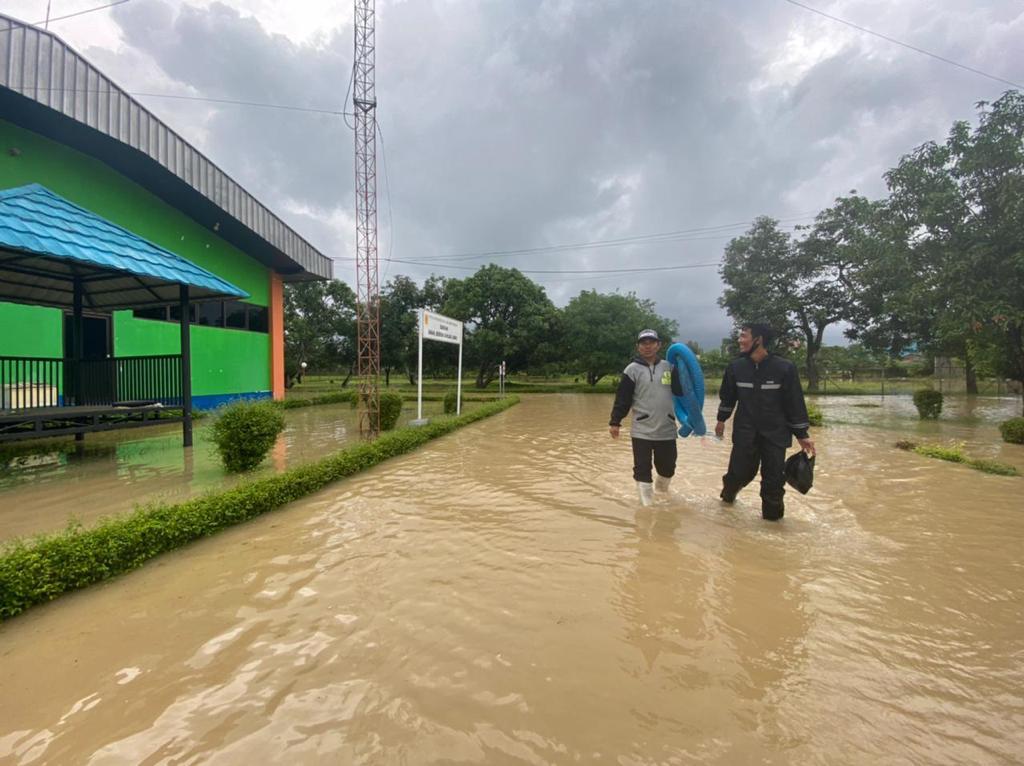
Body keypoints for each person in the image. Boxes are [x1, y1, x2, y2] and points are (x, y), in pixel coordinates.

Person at [715, 322, 815, 521]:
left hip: (775, 435)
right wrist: (721, 420)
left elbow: (794, 402)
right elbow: (728, 397)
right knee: (737, 474)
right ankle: (726, 506)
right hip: (745, 433)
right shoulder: (736, 367)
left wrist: (802, 435)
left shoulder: (784, 368)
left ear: (758, 340)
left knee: (773, 482)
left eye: (744, 336)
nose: (740, 340)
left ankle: (773, 524)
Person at [609, 329, 683, 506]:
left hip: (667, 427)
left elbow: (681, 393)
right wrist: (615, 421)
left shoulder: (669, 367)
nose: (647, 346)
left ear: (658, 345)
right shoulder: (631, 370)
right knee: (642, 469)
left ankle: (662, 492)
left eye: (651, 342)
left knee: (668, 468)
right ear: (638, 347)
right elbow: (623, 398)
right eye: (643, 343)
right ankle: (647, 508)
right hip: (641, 429)